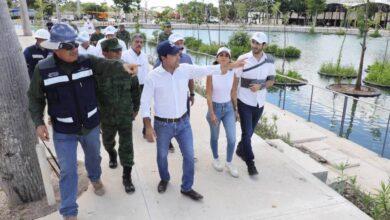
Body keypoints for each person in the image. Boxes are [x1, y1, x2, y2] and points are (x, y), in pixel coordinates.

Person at [27, 23, 137, 220]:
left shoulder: (86, 61)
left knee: (94, 158)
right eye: (69, 47)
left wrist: (123, 66)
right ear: (57, 48)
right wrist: (39, 122)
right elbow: (35, 98)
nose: (75, 50)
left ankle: (95, 178)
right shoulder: (43, 69)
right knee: (68, 170)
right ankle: (69, 212)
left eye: (76, 45)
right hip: (63, 130)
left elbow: (106, 65)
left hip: (91, 125)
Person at [140, 40, 246, 201]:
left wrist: (233, 65)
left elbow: (210, 68)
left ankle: (187, 187)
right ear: (164, 57)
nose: (179, 55)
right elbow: (145, 103)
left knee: (189, 157)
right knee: (162, 156)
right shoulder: (152, 77)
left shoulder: (185, 70)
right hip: (163, 125)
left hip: (183, 123)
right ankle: (164, 178)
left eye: (179, 52)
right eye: (175, 54)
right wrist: (148, 126)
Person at [97, 38, 141, 194]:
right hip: (106, 116)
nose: (118, 53)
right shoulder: (98, 70)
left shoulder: (127, 68)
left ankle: (127, 176)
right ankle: (112, 154)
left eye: (119, 50)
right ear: (104, 53)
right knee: (108, 142)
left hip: (124, 114)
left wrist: (135, 108)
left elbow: (135, 90)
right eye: (114, 51)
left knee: (127, 145)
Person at [233, 32, 276, 176]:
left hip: (260, 103)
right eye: (253, 42)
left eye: (258, 43)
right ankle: (250, 163)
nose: (254, 46)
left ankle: (240, 149)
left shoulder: (269, 60)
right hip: (244, 101)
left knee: (250, 132)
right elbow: (235, 82)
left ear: (264, 45)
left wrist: (260, 86)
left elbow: (271, 81)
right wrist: (234, 106)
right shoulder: (243, 58)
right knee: (246, 133)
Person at [154, 33, 195, 153]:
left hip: (183, 98)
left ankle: (187, 151)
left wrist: (192, 93)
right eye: (177, 43)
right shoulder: (159, 62)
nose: (180, 45)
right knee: (169, 122)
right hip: (167, 100)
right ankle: (168, 141)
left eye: (181, 42)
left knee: (184, 122)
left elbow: (191, 78)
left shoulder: (187, 58)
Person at [206, 47, 239, 178]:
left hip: (229, 108)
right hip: (215, 108)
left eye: (226, 55)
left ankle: (229, 162)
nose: (224, 57)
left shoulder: (233, 73)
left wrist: (236, 110)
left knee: (232, 139)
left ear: (230, 58)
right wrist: (212, 113)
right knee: (215, 137)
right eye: (221, 54)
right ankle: (215, 158)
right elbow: (208, 94)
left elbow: (234, 92)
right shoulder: (211, 73)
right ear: (217, 57)